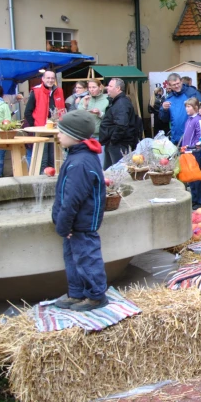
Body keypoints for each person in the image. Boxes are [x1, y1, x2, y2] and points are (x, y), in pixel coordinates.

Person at [51, 110, 108, 312]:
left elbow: (72, 199)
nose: (58, 135)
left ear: (74, 136)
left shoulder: (80, 163)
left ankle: (96, 295)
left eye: (61, 131)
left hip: (81, 224)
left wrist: (63, 224)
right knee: (73, 259)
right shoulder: (77, 156)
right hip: (73, 224)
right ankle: (76, 292)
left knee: (86, 259)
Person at [24, 69, 65, 171]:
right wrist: (36, 126)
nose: (50, 80)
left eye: (52, 78)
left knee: (54, 157)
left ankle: (54, 179)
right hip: (41, 130)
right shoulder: (36, 91)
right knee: (43, 158)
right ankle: (42, 180)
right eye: (48, 78)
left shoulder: (59, 91)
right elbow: (27, 112)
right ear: (43, 79)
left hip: (56, 129)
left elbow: (62, 110)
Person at [99, 78, 137, 169]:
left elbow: (122, 124)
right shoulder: (117, 102)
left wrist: (113, 141)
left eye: (111, 86)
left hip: (119, 144)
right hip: (115, 143)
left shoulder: (121, 103)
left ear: (118, 88)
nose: (107, 88)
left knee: (117, 172)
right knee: (110, 171)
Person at [159, 72, 201, 144]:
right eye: (174, 85)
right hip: (176, 138)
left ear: (181, 81)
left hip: (192, 138)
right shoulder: (169, 98)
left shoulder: (192, 93)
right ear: (169, 85)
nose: (177, 86)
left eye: (178, 83)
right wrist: (164, 109)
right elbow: (164, 119)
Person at [182, 97, 201, 209]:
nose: (187, 109)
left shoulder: (198, 120)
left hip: (195, 152)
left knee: (198, 177)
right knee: (191, 178)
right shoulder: (188, 120)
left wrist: (193, 146)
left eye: (189, 106)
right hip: (187, 152)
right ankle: (195, 198)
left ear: (195, 107)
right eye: (186, 106)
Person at [77, 79, 109, 166]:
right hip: (86, 136)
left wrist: (100, 113)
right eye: (89, 87)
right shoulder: (84, 99)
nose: (91, 89)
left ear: (100, 87)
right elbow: (78, 115)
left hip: (100, 136)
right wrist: (84, 106)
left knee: (100, 163)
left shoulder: (107, 100)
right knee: (87, 163)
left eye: (94, 87)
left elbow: (110, 117)